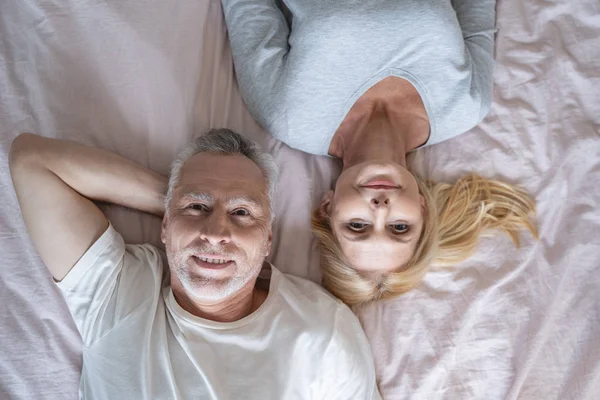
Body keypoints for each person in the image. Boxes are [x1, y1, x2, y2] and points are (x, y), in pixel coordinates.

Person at [9, 129, 381, 399]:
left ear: (268, 238)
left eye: (241, 212)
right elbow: (32, 161)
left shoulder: (323, 333)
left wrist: (186, 209)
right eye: (198, 208)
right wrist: (173, 203)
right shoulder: (120, 294)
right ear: (165, 226)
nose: (216, 232)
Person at [221, 0, 537, 305]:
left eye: (357, 225)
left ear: (327, 208)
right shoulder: (465, 105)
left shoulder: (287, 115)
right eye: (400, 227)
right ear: (423, 210)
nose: (380, 208)